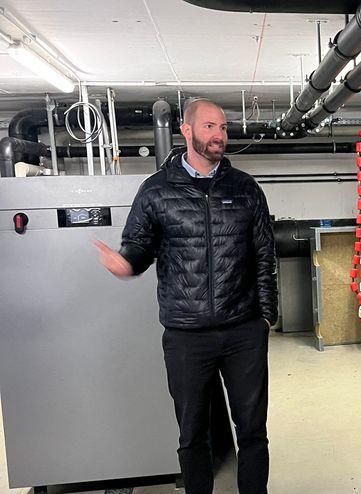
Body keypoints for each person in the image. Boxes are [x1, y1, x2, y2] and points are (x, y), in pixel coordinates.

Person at [94, 98, 277, 494]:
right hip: (186, 335)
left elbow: (264, 254)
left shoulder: (245, 189)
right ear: (187, 130)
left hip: (243, 330)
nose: (219, 135)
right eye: (210, 126)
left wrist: (267, 318)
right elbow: (138, 245)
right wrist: (126, 263)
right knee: (192, 435)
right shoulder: (156, 190)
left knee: (252, 431)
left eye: (223, 127)